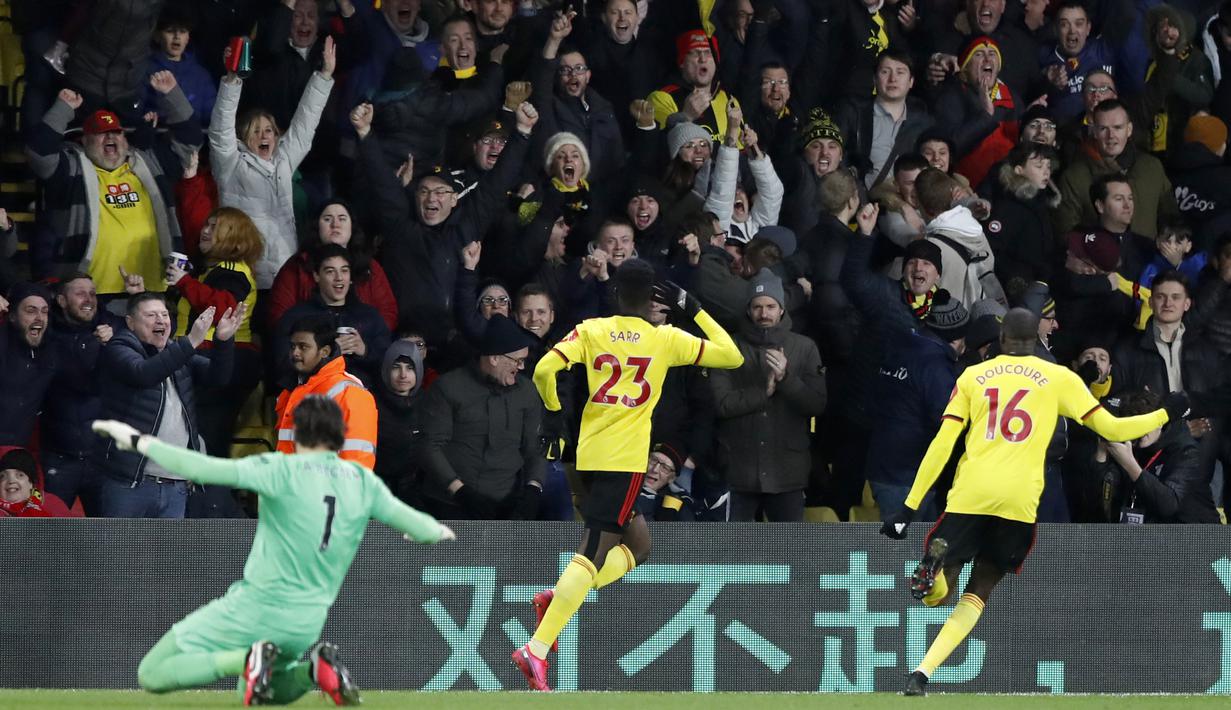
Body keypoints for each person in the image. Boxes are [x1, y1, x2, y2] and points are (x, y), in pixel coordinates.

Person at [880, 308, 1190, 696]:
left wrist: (909, 508)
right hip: (1018, 501)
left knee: (936, 597)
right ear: (1035, 340)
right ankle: (921, 674)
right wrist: (1168, 412)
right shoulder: (1059, 378)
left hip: (971, 493)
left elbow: (943, 443)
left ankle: (935, 573)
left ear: (1001, 340)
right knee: (980, 590)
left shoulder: (972, 376)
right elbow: (1113, 429)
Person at [91, 395, 456, 706]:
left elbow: (202, 467)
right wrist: (432, 532)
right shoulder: (362, 482)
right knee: (253, 692)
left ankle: (244, 658)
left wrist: (140, 442)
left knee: (151, 673)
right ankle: (314, 670)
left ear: (296, 433)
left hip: (255, 607)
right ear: (341, 437)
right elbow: (420, 526)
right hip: (306, 623)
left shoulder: (281, 468)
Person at [514, 259, 743, 690]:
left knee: (639, 544)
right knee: (596, 549)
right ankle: (537, 649)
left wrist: (553, 414)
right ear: (654, 297)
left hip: (590, 455)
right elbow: (731, 355)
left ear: (616, 293)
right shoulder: (665, 339)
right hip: (624, 460)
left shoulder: (591, 329)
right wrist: (693, 308)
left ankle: (562, 596)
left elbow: (545, 369)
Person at [26, 76, 202, 289]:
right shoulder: (71, 169)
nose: (110, 137)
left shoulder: (150, 161)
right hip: (89, 297)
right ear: (84, 141)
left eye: (116, 132)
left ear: (125, 140)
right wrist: (63, 108)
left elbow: (191, 141)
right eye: (101, 133)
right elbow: (38, 153)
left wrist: (172, 94)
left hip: (153, 293)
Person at [95, 295, 241, 519]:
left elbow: (218, 378)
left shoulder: (175, 350)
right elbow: (144, 373)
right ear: (130, 322)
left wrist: (223, 342)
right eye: (151, 315)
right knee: (120, 553)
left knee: (167, 555)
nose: (160, 320)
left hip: (176, 483)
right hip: (130, 482)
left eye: (164, 315)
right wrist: (191, 341)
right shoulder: (119, 347)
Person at [210, 36, 336, 290]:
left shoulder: (283, 160)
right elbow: (221, 129)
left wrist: (324, 75)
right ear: (243, 139)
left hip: (285, 273)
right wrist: (233, 81)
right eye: (255, 131)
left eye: (269, 130)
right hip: (246, 275)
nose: (264, 135)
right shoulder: (231, 163)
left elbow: (305, 123)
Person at [709, 269, 827, 522]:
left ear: (782, 308)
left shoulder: (805, 347)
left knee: (788, 555)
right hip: (739, 470)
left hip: (787, 472)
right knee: (736, 556)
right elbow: (721, 404)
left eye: (771, 306)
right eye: (757, 307)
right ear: (748, 310)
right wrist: (764, 392)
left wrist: (786, 379)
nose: (764, 314)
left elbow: (817, 403)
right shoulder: (728, 346)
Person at [416, 314, 545, 520]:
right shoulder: (448, 388)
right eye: (517, 361)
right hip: (451, 503)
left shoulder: (526, 391)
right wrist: (459, 491)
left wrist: (533, 488)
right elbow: (429, 446)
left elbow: (535, 446)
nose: (521, 367)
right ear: (494, 358)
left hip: (507, 505)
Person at [167, 207, 262, 468]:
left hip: (222, 359)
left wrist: (184, 282)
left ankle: (211, 504)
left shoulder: (233, 270)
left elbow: (222, 309)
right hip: (208, 356)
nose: (205, 231)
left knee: (208, 441)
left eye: (213, 226)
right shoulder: (210, 270)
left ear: (233, 236)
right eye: (206, 225)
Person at [41, 275, 124, 512]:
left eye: (92, 293)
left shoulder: (111, 328)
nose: (89, 300)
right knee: (47, 535)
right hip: (58, 457)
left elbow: (142, 327)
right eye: (80, 293)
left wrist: (113, 340)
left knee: (106, 539)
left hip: (101, 459)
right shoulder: (46, 335)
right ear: (61, 300)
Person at [1096, 389, 1221, 524]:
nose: (1141, 432)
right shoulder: (1133, 446)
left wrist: (1130, 464)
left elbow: (1169, 505)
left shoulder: (1187, 451)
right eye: (1135, 426)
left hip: (1198, 536)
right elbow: (1100, 498)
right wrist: (1101, 453)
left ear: (1160, 422)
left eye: (1145, 424)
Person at [275, 315, 379, 470]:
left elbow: (356, 461)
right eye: (292, 346)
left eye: (303, 347)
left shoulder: (350, 392)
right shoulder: (291, 391)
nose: (295, 353)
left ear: (325, 351)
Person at [0, 283, 57, 448]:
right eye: (31, 311)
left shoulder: (51, 353)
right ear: (12, 316)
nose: (39, 317)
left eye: (44, 311)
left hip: (15, 455)